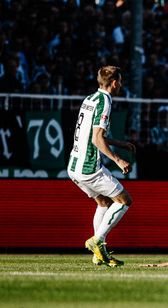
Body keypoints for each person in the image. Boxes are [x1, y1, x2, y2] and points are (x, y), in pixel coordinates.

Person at [67, 65, 137, 267]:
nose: (121, 85)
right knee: (124, 200)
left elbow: (93, 134)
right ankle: (97, 241)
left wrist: (121, 144)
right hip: (89, 167)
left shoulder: (90, 99)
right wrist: (118, 160)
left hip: (73, 166)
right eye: (120, 82)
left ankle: (99, 254)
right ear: (114, 83)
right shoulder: (105, 101)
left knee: (104, 203)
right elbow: (97, 139)